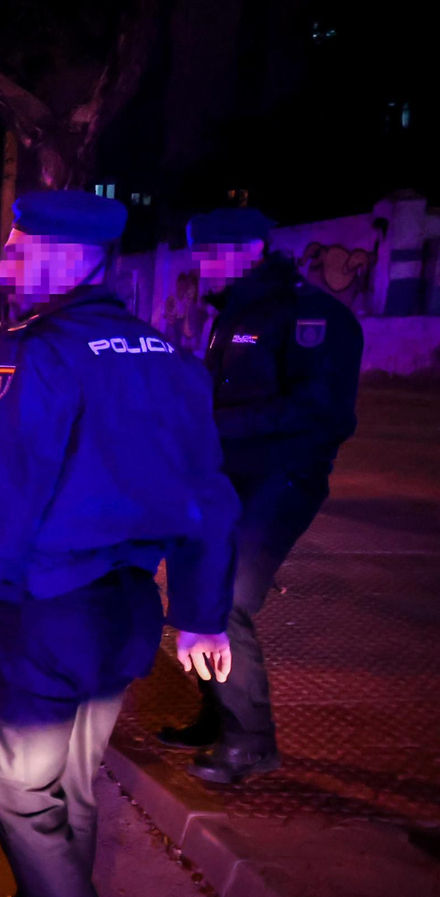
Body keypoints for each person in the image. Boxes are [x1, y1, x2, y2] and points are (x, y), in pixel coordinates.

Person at [0, 190, 238, 897]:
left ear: (68, 258)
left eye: (19, 254)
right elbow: (209, 495)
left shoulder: (39, 352)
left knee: (22, 791)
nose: (3, 269)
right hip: (127, 617)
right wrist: (202, 614)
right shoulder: (173, 358)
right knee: (71, 789)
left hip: (40, 618)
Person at [158, 208, 364, 784]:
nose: (202, 264)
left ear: (251, 249)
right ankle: (217, 715)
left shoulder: (314, 316)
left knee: (228, 598)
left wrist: (215, 424)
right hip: (225, 474)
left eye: (213, 252)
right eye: (198, 251)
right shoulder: (231, 314)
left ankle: (250, 742)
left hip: (283, 478)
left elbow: (322, 413)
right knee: (201, 586)